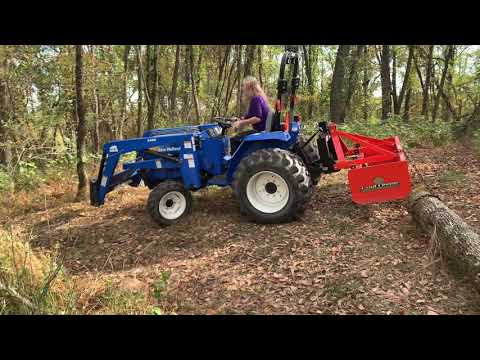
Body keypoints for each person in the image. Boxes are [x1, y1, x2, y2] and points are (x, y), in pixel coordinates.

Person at [229, 76, 271, 153]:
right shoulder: (259, 98)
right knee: (237, 138)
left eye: (245, 89)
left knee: (233, 140)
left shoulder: (256, 99)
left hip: (260, 130)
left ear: (251, 88)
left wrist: (241, 122)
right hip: (262, 129)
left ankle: (233, 164)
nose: (244, 91)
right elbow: (252, 115)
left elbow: (257, 118)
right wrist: (239, 119)